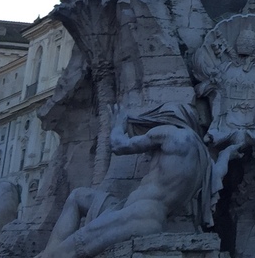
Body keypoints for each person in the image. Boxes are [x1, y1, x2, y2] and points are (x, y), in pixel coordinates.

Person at [35, 103, 213, 258]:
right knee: (78, 196)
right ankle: (48, 252)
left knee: (62, 254)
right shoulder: (204, 159)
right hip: (137, 212)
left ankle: (50, 255)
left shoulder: (170, 133)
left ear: (168, 117)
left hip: (137, 216)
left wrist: (118, 125)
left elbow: (119, 145)